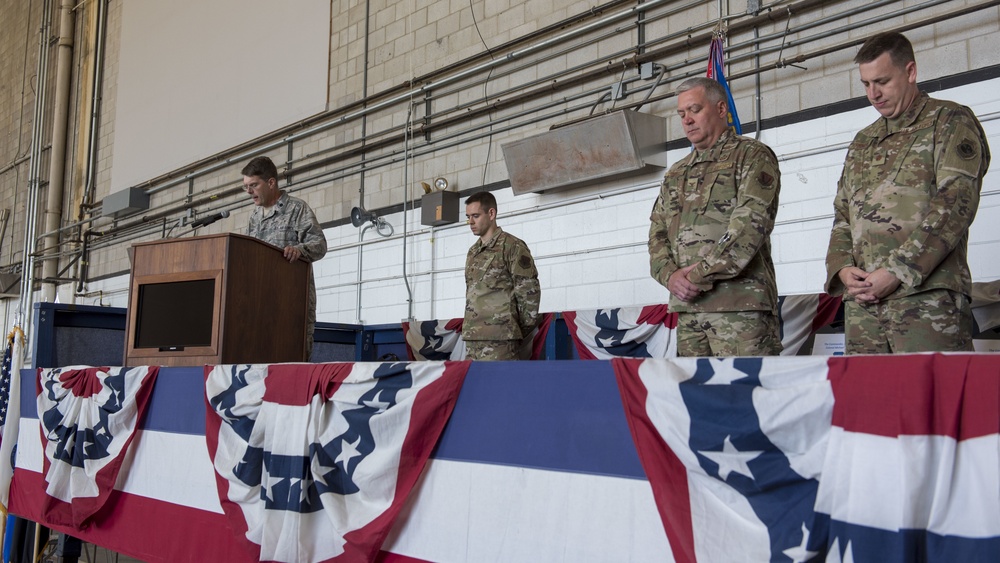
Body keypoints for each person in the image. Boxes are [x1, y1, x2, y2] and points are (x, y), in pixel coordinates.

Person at [825, 32, 990, 354]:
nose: (874, 94)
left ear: (910, 72)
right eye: (866, 84)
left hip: (926, 300)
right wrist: (843, 268)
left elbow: (954, 205)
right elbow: (843, 213)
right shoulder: (863, 140)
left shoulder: (949, 121)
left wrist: (897, 271)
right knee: (871, 401)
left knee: (934, 399)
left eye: (882, 81)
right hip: (863, 307)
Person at [648, 76, 782, 357]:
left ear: (721, 109)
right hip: (689, 313)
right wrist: (669, 276)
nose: (687, 120)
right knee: (698, 398)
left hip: (739, 309)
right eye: (682, 114)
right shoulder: (676, 173)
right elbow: (657, 233)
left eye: (695, 110)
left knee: (746, 396)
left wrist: (694, 278)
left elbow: (749, 228)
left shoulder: (751, 155)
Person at [242, 156, 328, 360]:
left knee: (292, 366)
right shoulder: (254, 218)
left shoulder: (297, 209)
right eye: (245, 186)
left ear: (271, 183)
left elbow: (320, 245)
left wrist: (299, 250)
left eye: (253, 185)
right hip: (260, 306)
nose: (248, 192)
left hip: (291, 306)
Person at [462, 191, 540, 360]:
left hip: (501, 339)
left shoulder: (512, 246)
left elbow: (529, 294)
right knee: (475, 386)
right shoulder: (473, 252)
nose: (470, 222)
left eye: (475, 216)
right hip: (473, 338)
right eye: (468, 217)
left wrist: (512, 329)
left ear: (491, 214)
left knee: (500, 386)